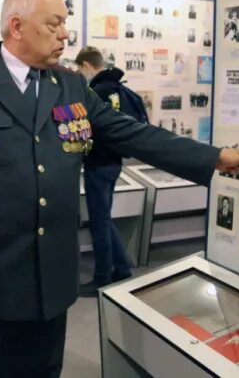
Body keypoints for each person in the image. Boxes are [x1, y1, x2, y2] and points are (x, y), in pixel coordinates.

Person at [0, 0, 239, 377]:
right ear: (16, 26)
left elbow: (132, 133)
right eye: (54, 23)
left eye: (65, 23)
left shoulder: (70, 84)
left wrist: (213, 156)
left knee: (39, 372)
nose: (65, 33)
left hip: (51, 275)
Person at [74, 47, 144, 296]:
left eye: (79, 69)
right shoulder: (117, 89)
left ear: (86, 66)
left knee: (98, 223)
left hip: (98, 164)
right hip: (113, 163)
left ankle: (102, 277)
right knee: (103, 218)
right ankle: (122, 267)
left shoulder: (97, 92)